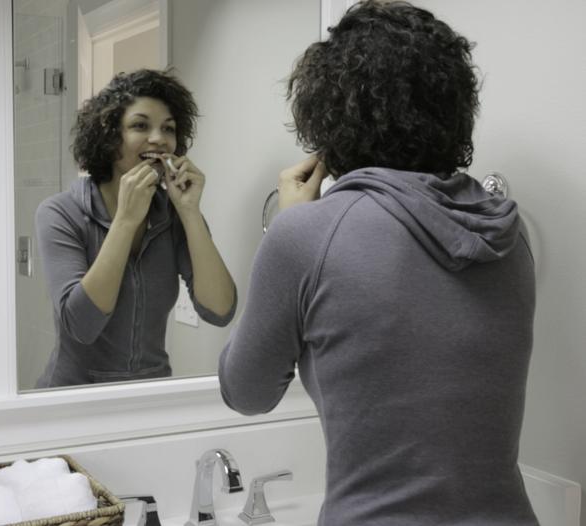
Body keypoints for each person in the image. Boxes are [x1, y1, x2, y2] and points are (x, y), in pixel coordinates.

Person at [218, 2, 538, 525]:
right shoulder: (505, 232)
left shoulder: (307, 234)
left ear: (329, 118)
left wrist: (285, 228)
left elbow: (247, 392)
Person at [36, 69, 236, 388]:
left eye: (168, 129)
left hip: (149, 396)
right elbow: (82, 325)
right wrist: (126, 221)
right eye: (140, 125)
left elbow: (220, 310)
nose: (158, 139)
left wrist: (189, 212)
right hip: (72, 399)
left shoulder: (173, 215)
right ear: (110, 137)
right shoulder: (60, 212)